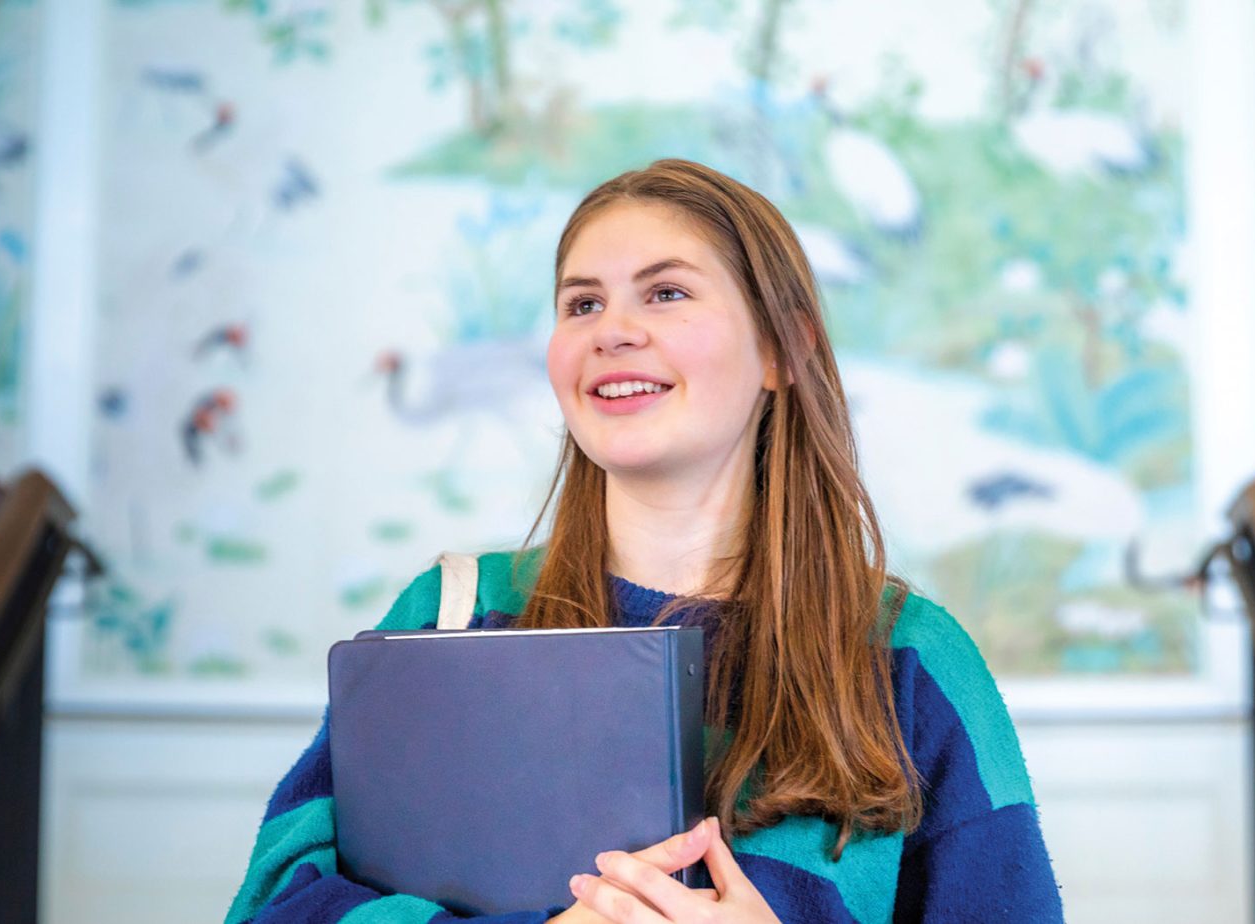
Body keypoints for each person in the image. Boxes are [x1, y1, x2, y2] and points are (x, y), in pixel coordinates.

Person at [225, 158, 1064, 923]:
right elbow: (272, 904)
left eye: (665, 293)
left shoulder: (913, 658)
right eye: (582, 303)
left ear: (783, 347)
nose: (611, 330)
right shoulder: (450, 614)